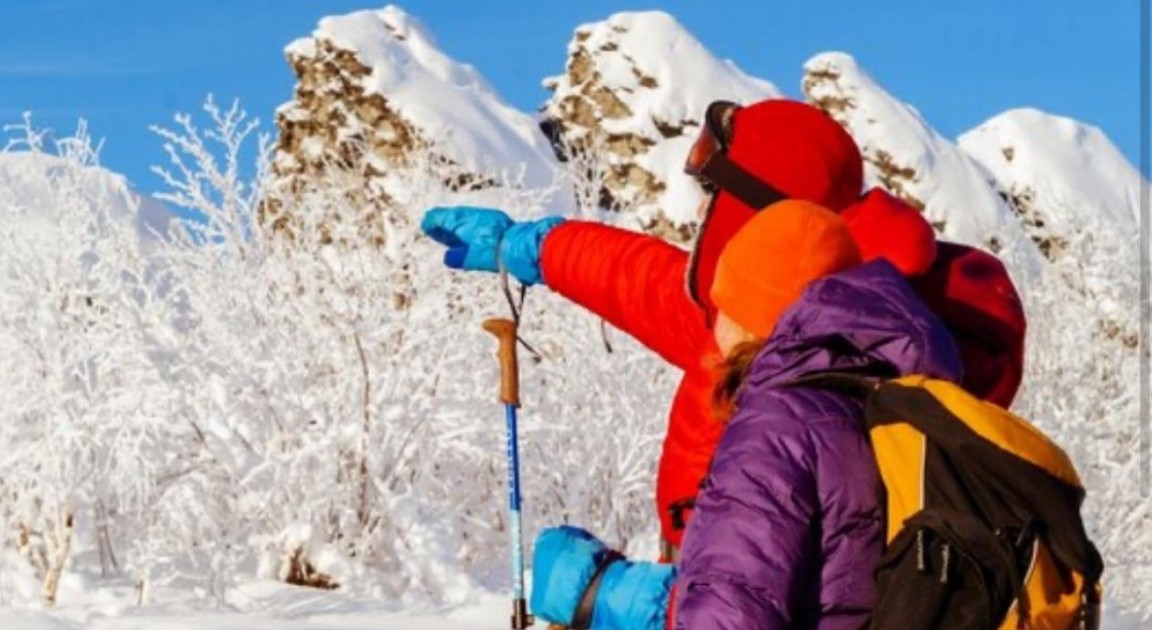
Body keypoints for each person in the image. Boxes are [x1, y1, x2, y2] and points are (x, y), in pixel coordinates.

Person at [421, 98, 1026, 556]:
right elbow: (642, 282)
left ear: (757, 213)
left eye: (713, 195)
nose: (699, 213)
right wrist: (532, 246)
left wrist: (629, 602)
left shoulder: (846, 371)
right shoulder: (780, 320)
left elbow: (788, 591)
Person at [528, 200, 965, 629]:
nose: (713, 319)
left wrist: (617, 600)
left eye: (722, 303)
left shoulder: (776, 429)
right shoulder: (878, 401)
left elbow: (729, 616)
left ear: (749, 317)